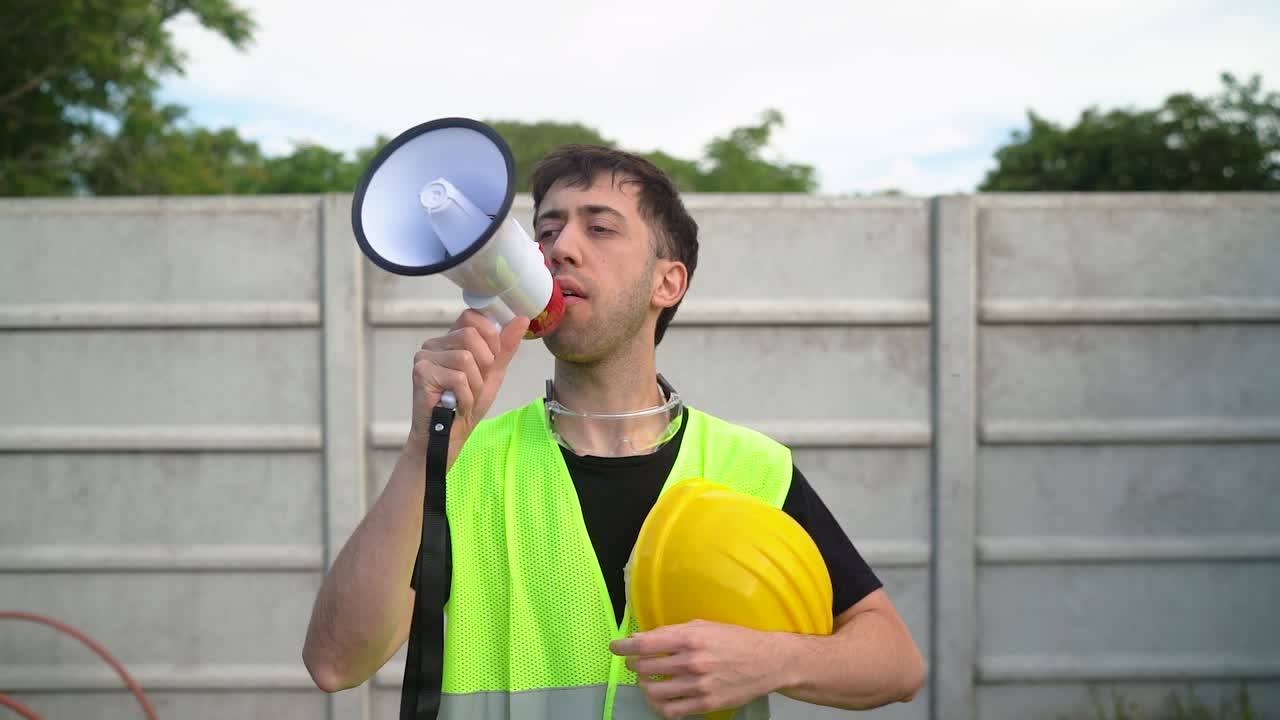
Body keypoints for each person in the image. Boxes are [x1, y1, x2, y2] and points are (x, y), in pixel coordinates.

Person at [302, 144, 926, 719]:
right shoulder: (463, 460)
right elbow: (336, 663)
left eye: (599, 228)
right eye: (546, 230)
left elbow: (896, 662)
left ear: (667, 282)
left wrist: (774, 658)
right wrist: (425, 448)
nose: (560, 247)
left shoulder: (753, 467)